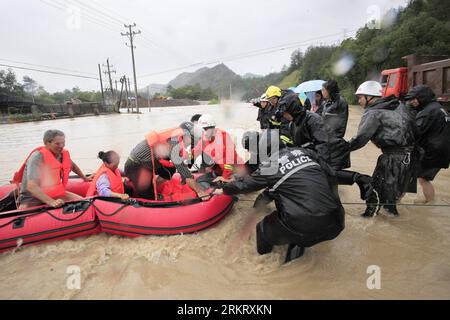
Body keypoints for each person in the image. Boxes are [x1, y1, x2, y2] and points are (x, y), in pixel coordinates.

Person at [214, 130, 345, 263]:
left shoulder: (270, 166)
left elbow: (246, 185)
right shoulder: (306, 152)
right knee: (297, 216)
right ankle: (299, 242)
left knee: (262, 229)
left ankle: (263, 263)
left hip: (304, 223)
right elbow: (332, 175)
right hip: (337, 221)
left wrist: (223, 190)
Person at [348, 81, 417, 216]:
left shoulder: (373, 113)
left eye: (360, 97)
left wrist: (342, 148)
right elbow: (416, 129)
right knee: (393, 199)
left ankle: (374, 226)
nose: (359, 101)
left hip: (393, 160)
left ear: (370, 97)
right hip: (411, 158)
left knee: (377, 197)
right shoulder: (399, 106)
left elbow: (360, 139)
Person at [124, 124, 207, 200]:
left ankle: (154, 185)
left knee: (170, 170)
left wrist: (183, 171)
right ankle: (144, 190)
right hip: (136, 166)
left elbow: (179, 163)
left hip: (148, 163)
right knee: (152, 198)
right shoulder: (173, 144)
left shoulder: (174, 138)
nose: (191, 145)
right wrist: (200, 191)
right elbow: (185, 172)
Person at [12, 130, 91, 209]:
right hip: (32, 197)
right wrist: (51, 202)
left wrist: (84, 177)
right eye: (57, 144)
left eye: (63, 143)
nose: (61, 146)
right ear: (47, 143)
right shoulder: (37, 157)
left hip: (54, 192)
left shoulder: (61, 153)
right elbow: (31, 186)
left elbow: (72, 166)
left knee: (85, 203)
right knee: (23, 214)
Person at [404, 85, 450, 203]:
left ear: (423, 97)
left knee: (422, 178)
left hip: (432, 152)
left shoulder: (427, 112)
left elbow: (415, 132)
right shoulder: (438, 108)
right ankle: (429, 202)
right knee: (420, 176)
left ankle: (430, 204)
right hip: (442, 151)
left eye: (414, 99)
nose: (412, 102)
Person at [194, 114, 242, 182]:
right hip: (220, 170)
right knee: (200, 180)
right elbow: (195, 151)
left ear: (213, 128)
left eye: (206, 129)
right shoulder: (204, 139)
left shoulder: (223, 136)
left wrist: (225, 177)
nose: (204, 132)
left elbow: (229, 160)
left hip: (234, 170)